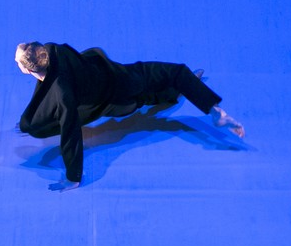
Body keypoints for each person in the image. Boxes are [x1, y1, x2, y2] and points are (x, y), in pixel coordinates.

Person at [15, 42, 245, 191]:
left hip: (114, 90)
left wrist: (73, 176)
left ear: (28, 69)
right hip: (115, 78)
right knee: (173, 74)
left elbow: (70, 130)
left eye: (19, 57)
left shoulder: (61, 92)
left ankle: (188, 89)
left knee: (148, 93)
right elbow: (62, 117)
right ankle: (201, 97)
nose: (18, 52)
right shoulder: (54, 50)